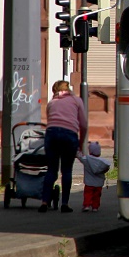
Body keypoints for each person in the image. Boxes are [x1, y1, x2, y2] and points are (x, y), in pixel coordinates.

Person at [40, 80, 87, 214]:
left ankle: (44, 201)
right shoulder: (76, 100)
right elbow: (83, 124)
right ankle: (65, 204)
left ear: (54, 91)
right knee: (66, 170)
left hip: (52, 134)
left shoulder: (51, 104)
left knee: (51, 170)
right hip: (69, 135)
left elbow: (51, 121)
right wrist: (81, 143)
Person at [77, 141, 111, 213]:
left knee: (88, 194)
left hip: (89, 182)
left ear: (90, 151)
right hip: (99, 183)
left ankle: (86, 205)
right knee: (97, 196)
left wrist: (78, 148)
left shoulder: (86, 160)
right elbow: (106, 168)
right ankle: (95, 207)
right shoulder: (103, 163)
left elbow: (79, 156)